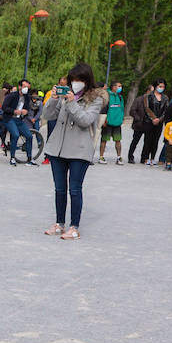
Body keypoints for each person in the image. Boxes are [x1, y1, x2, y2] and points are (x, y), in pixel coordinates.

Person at [42, 62, 105, 240]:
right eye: (73, 80)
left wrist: (71, 103)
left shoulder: (96, 99)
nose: (75, 83)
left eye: (79, 80)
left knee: (75, 189)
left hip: (79, 150)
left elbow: (85, 120)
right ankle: (59, 224)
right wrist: (54, 98)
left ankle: (74, 227)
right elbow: (48, 115)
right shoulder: (64, 95)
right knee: (59, 189)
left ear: (87, 80)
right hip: (57, 149)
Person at [1, 79, 37, 166]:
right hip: (9, 119)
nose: (26, 89)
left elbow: (27, 108)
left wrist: (26, 111)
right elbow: (4, 107)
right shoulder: (12, 96)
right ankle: (12, 158)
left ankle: (29, 158)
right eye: (24, 86)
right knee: (15, 135)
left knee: (29, 136)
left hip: (19, 120)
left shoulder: (27, 97)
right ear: (19, 87)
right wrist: (14, 111)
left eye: (28, 87)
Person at [98, 80, 125, 164]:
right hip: (108, 122)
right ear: (113, 87)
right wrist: (104, 120)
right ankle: (101, 157)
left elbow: (122, 108)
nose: (120, 88)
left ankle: (119, 157)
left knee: (118, 140)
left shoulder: (120, 97)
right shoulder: (107, 95)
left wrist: (121, 118)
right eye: (119, 86)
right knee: (104, 140)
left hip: (117, 122)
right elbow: (103, 108)